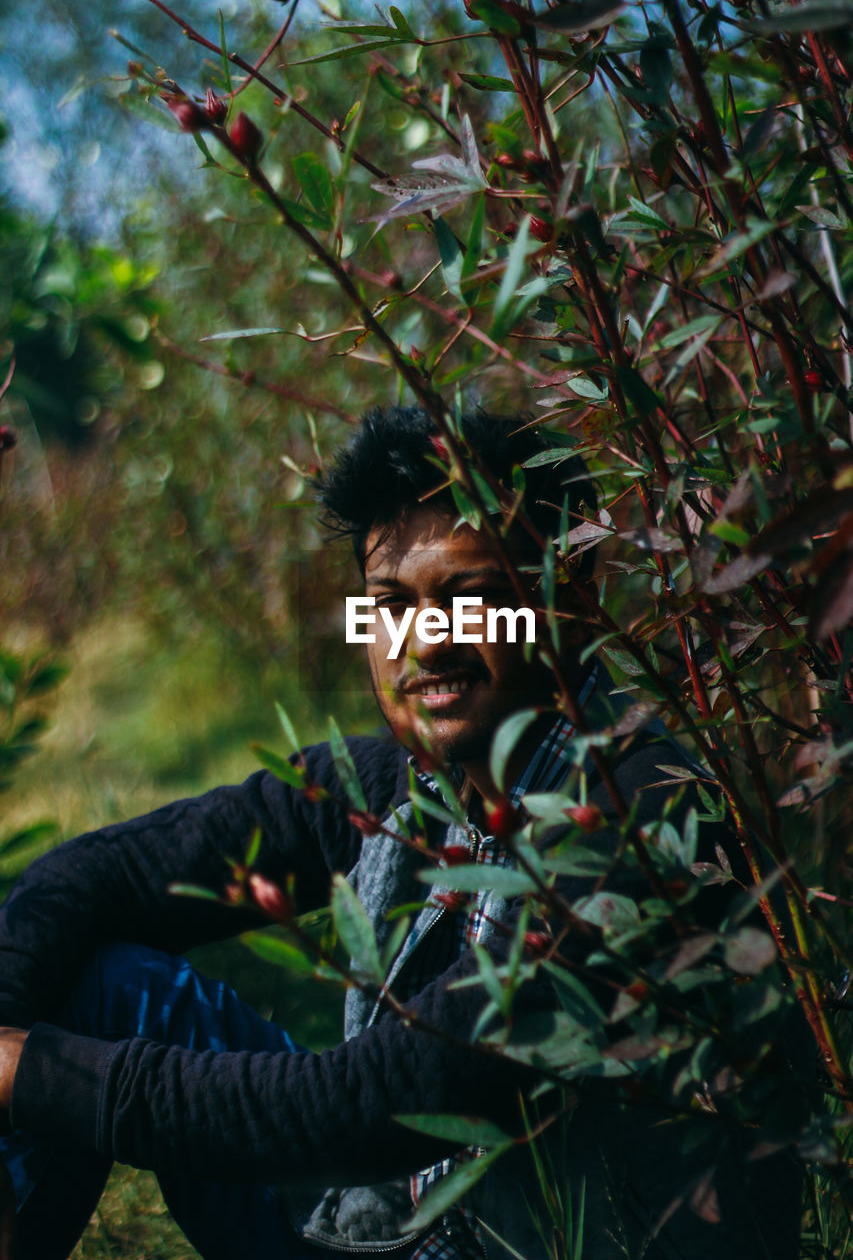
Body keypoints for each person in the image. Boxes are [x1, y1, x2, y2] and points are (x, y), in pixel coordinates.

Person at [0, 407, 803, 1260]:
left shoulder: (640, 819)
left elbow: (385, 1099)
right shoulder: (400, 786)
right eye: (388, 606)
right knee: (101, 978)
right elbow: (99, 874)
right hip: (392, 1223)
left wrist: (40, 1077)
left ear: (569, 592)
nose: (425, 642)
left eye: (474, 597)